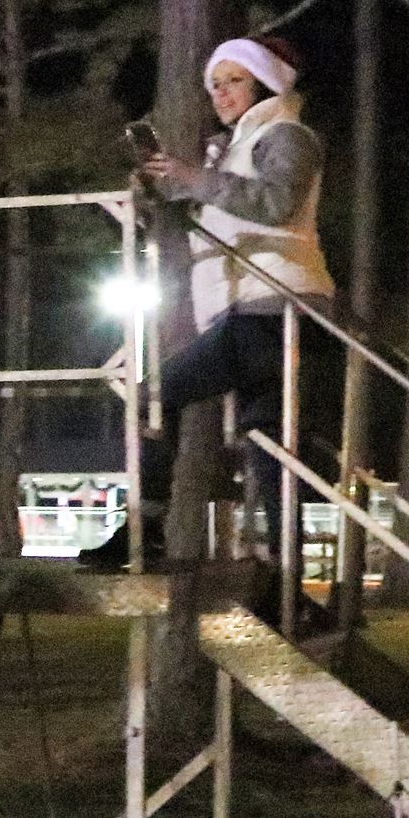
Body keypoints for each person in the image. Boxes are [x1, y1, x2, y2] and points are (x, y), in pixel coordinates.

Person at [81, 33, 337, 567]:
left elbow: (277, 202)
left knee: (156, 396)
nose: (220, 94)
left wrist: (196, 178)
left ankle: (145, 529)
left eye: (233, 81)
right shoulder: (240, 144)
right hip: (262, 308)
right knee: (269, 444)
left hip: (272, 307)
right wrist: (160, 190)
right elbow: (214, 207)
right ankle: (284, 574)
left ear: (264, 81)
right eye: (214, 85)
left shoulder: (286, 135)